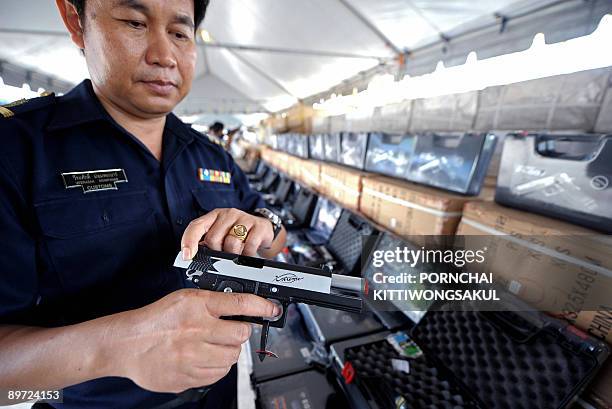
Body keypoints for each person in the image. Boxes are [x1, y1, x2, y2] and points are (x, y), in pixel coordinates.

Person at [0, 0, 286, 408]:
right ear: (75, 21)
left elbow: (271, 231)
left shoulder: (210, 154)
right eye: (135, 22)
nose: (164, 55)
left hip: (220, 395)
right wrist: (112, 347)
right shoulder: (16, 151)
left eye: (179, 33)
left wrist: (262, 224)